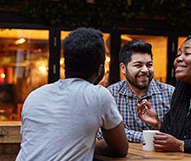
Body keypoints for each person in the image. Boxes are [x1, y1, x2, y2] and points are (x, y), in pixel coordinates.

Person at [16, 27, 128, 161]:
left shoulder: (35, 95)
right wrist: (89, 145)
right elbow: (120, 148)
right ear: (100, 70)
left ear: (65, 66)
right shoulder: (99, 95)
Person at [106, 40, 175, 143]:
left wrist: (158, 125)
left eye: (149, 65)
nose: (145, 70)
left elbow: (180, 133)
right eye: (138, 65)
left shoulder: (170, 93)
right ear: (123, 68)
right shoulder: (111, 94)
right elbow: (103, 131)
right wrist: (145, 137)